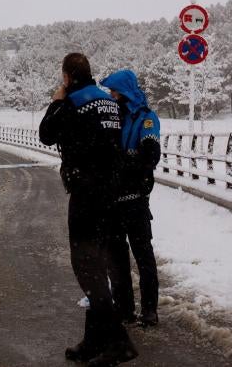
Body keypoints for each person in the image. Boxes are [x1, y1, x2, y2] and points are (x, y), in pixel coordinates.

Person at [39, 53, 138, 366]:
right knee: (98, 266)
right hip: (111, 195)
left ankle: (119, 343)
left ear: (67, 76)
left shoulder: (73, 102)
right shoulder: (107, 101)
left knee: (87, 268)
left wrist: (56, 101)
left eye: (63, 77)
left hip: (86, 194)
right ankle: (93, 342)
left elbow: (46, 134)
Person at [100, 69, 161, 327]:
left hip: (135, 199)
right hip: (113, 200)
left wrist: (123, 162)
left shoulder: (147, 118)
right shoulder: (113, 117)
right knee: (116, 258)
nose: (112, 96)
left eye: (115, 91)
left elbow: (150, 155)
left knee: (143, 255)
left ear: (124, 91)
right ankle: (124, 309)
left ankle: (149, 310)